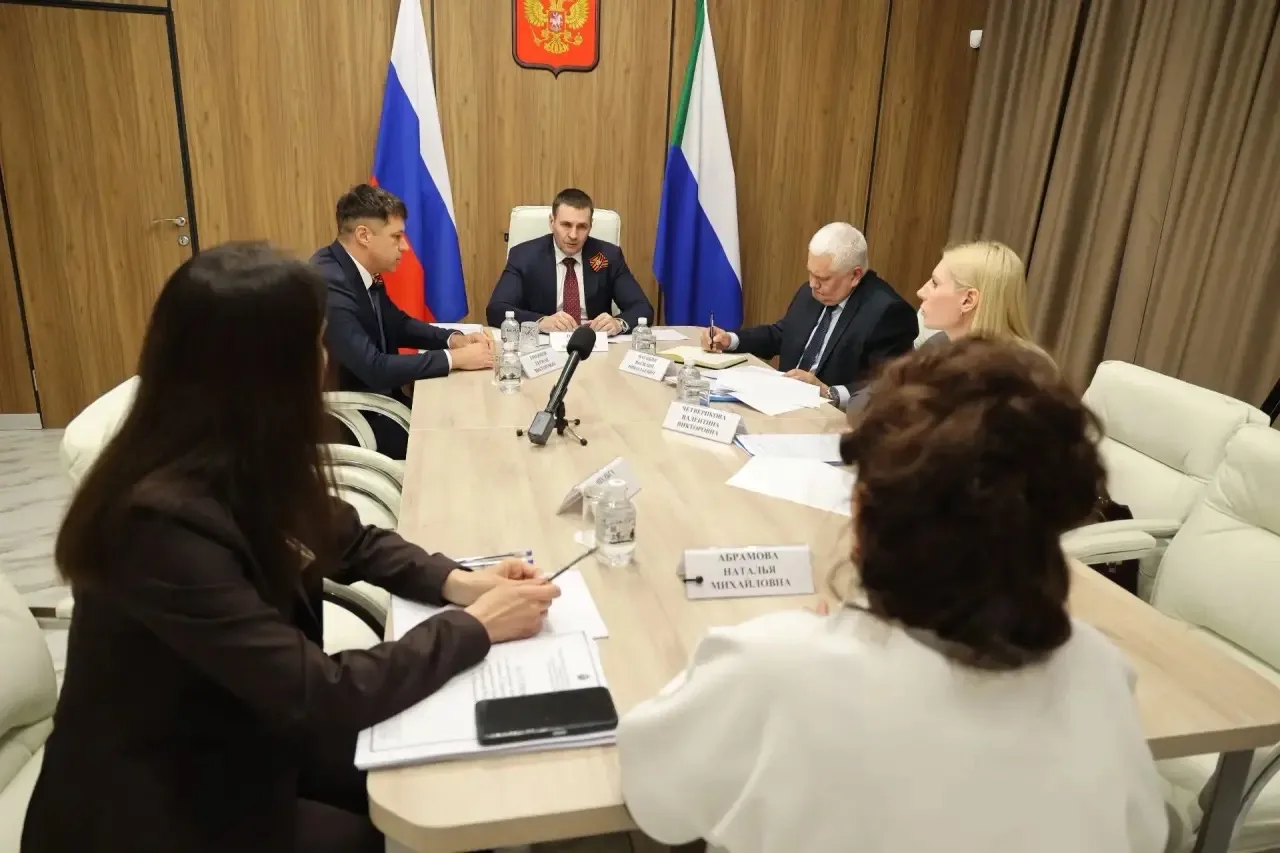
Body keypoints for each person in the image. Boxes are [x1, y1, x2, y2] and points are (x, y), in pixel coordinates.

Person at [21, 243, 561, 853]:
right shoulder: (155, 527)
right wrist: (475, 627)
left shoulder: (236, 451)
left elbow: (350, 539)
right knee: (368, 832)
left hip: (242, 731)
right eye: (313, 344)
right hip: (151, 802)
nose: (325, 361)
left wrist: (457, 581)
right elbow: (317, 693)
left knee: (442, 780)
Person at [616, 337, 1168, 853]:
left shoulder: (772, 668)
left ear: (861, 513)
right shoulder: (1100, 670)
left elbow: (655, 803)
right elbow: (1147, 835)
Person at [314, 184, 494, 459]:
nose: (405, 247)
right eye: (396, 237)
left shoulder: (357, 269)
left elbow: (397, 324)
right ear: (364, 235)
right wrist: (455, 359)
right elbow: (373, 367)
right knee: (458, 445)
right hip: (355, 420)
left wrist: (453, 339)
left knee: (464, 416)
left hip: (382, 402)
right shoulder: (329, 283)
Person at [699, 222, 916, 409]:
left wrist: (827, 391)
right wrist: (730, 340)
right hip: (781, 405)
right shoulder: (812, 292)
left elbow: (889, 386)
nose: (813, 284)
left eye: (823, 278)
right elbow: (782, 334)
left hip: (832, 420)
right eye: (810, 273)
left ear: (855, 276)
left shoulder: (888, 312)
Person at [486, 187, 654, 334]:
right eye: (566, 225)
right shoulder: (524, 256)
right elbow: (496, 309)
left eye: (582, 227)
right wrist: (540, 322)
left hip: (593, 343)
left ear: (590, 225)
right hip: (544, 344)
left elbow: (643, 308)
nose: (573, 235)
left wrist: (618, 323)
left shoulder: (609, 256)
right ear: (552, 222)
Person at [915, 240, 1049, 358]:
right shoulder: (935, 348)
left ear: (968, 300)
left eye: (935, 283)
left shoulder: (1019, 373)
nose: (920, 292)